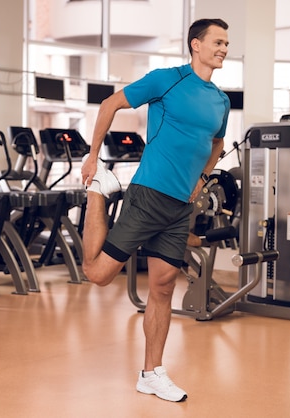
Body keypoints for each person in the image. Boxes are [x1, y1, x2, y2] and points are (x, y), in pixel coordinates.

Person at [80, 18, 230, 402]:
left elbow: (217, 142)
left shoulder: (221, 100)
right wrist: (93, 158)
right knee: (98, 274)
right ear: (195, 44)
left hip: (181, 205)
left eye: (226, 44)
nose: (223, 48)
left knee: (163, 287)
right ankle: (98, 193)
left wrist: (205, 176)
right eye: (217, 42)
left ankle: (151, 372)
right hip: (149, 194)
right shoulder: (167, 79)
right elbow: (111, 103)